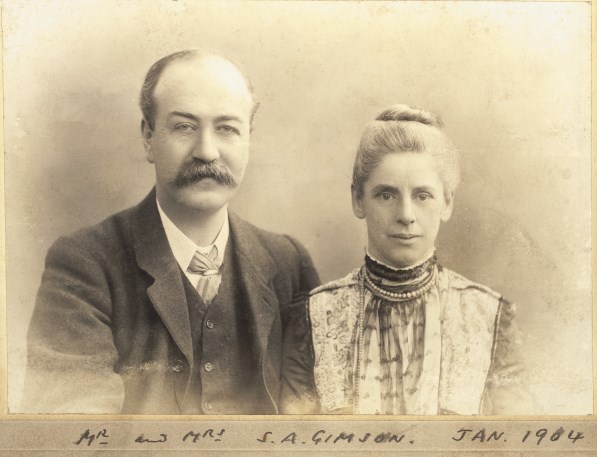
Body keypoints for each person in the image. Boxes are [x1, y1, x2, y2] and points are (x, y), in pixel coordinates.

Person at [22, 49, 319, 414]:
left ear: (249, 139)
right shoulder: (84, 263)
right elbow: (73, 429)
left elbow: (315, 420)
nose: (207, 152)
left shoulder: (288, 263)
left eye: (227, 128)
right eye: (184, 127)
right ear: (148, 137)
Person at [308, 104, 523, 415]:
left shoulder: (491, 317)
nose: (406, 215)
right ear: (358, 200)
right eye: (386, 195)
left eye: (422, 196)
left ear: (447, 203)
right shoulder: (312, 317)